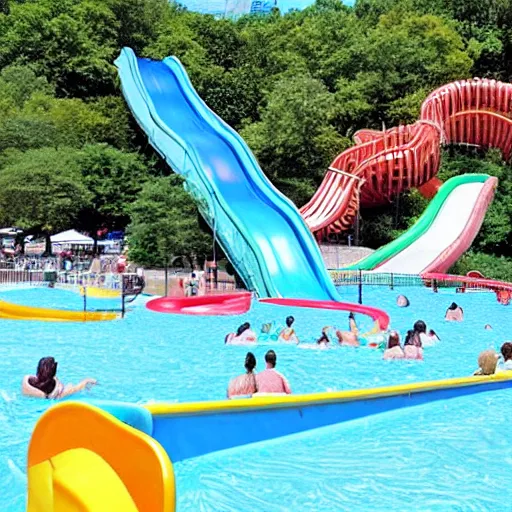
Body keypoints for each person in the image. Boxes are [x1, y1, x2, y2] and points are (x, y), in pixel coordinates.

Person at [22, 357, 97, 399]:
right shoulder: (59, 394)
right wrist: (88, 380)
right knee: (70, 385)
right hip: (55, 400)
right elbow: (80, 386)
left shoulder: (27, 381)